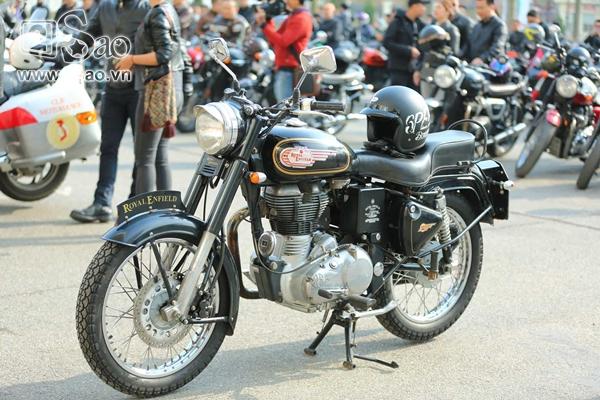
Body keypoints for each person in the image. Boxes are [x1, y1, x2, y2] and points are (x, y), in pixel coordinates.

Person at [69, 0, 150, 223]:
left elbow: (166, 47)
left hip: (140, 89)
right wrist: (59, 58)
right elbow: (85, 37)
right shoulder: (105, 7)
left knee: (141, 151)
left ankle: (134, 207)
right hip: (113, 88)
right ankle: (101, 203)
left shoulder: (147, 8)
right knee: (107, 148)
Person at [116, 0, 184, 196]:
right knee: (158, 156)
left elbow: (164, 54)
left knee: (144, 158)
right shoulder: (168, 10)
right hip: (171, 88)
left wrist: (131, 59)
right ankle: (167, 208)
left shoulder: (157, 13)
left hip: (157, 92)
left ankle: (143, 211)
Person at [255, 0, 312, 101]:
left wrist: (264, 25)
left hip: (289, 70)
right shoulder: (294, 16)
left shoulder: (301, 17)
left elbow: (283, 41)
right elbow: (276, 40)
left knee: (285, 106)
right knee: (283, 105)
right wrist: (268, 21)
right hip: (284, 68)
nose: (286, 1)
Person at [383, 0, 427, 90]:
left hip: (415, 71)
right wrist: (408, 50)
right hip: (399, 70)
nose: (424, 9)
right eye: (422, 5)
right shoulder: (397, 22)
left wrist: (419, 68)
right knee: (398, 96)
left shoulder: (421, 25)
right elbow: (387, 43)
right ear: (414, 6)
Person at [462, 0, 507, 64]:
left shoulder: (499, 26)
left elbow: (497, 47)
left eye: (481, 8)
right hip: (471, 65)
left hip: (489, 66)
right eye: (477, 8)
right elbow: (467, 46)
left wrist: (482, 59)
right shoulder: (477, 26)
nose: (478, 11)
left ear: (492, 7)